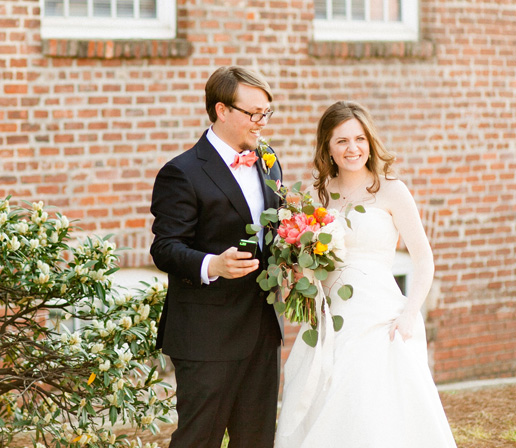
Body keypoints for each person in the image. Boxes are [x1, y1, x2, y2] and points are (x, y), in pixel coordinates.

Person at [275, 101, 457, 447]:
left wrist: (409, 313)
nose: (353, 148)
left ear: (370, 143)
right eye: (342, 141)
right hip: (330, 317)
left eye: (359, 139)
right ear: (327, 147)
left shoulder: (391, 190)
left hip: (379, 317)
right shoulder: (316, 195)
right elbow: (305, 261)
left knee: (371, 406)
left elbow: (423, 259)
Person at [150, 66, 283, 448]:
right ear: (222, 110)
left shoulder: (269, 160)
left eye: (266, 112)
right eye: (253, 113)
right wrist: (213, 265)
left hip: (262, 332)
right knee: (199, 440)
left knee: (257, 441)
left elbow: (272, 232)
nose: (262, 122)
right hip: (206, 337)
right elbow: (165, 247)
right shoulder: (181, 172)